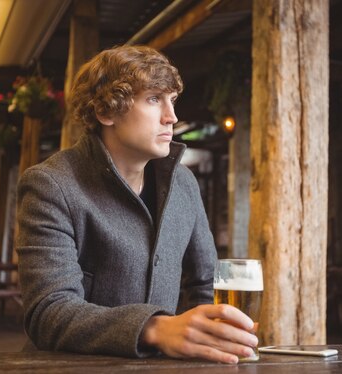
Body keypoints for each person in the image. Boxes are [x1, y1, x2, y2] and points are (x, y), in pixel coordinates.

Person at [16, 45, 257, 364]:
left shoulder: (183, 183)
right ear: (105, 112)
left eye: (172, 100)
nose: (171, 116)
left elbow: (205, 285)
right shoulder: (51, 185)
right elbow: (48, 313)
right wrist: (154, 328)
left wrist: (212, 345)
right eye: (154, 98)